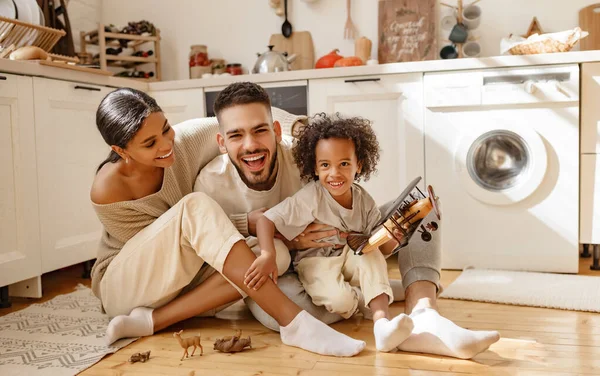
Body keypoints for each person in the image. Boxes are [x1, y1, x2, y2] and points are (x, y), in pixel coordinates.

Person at [195, 82, 500, 359]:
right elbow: (213, 248)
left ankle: (424, 314)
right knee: (287, 315)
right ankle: (381, 297)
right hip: (286, 268)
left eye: (260, 130)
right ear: (222, 142)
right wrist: (284, 240)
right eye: (236, 135)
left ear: (276, 130)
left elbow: (354, 212)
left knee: (422, 209)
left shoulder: (304, 157)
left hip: (343, 246)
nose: (250, 145)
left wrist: (385, 235)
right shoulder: (210, 184)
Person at [88, 87, 367, 357]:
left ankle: (153, 321)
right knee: (196, 205)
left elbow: (250, 117)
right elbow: (161, 247)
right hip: (127, 284)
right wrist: (245, 222)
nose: (165, 144)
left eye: (165, 129)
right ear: (121, 151)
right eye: (150, 144)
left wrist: (302, 131)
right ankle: (294, 323)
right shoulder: (108, 188)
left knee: (271, 256)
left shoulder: (186, 140)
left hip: (184, 276)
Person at [250, 113, 414, 352]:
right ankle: (369, 295)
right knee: (342, 301)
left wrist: (395, 237)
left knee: (369, 253)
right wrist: (267, 254)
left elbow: (381, 250)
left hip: (349, 257)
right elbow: (266, 220)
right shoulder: (311, 197)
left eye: (344, 164)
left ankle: (381, 323)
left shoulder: (364, 200)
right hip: (316, 263)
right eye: (325, 165)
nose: (334, 173)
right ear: (315, 168)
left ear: (359, 165)